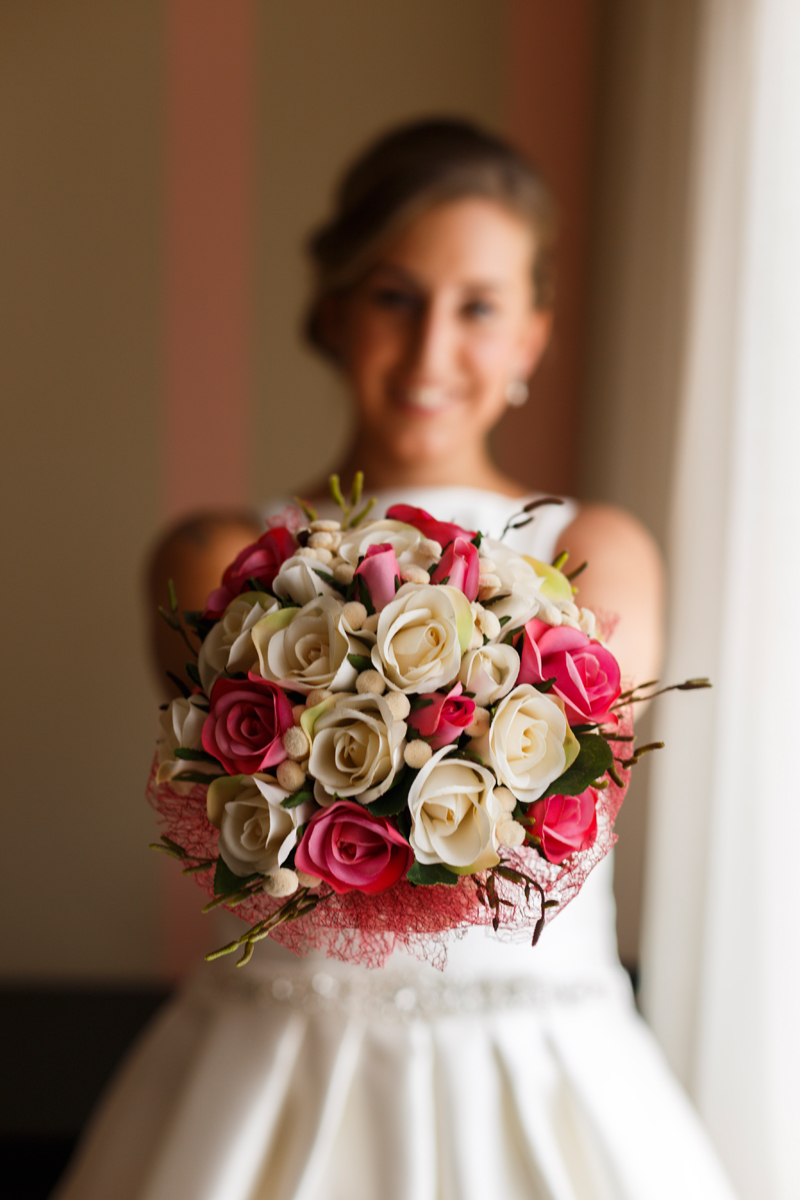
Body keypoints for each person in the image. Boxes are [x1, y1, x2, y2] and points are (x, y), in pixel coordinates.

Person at [56, 118, 738, 1200]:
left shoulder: (591, 553)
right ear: (330, 309)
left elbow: (568, 802)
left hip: (542, 1071)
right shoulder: (216, 556)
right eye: (392, 297)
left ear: (532, 336)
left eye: (476, 308)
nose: (429, 352)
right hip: (276, 1075)